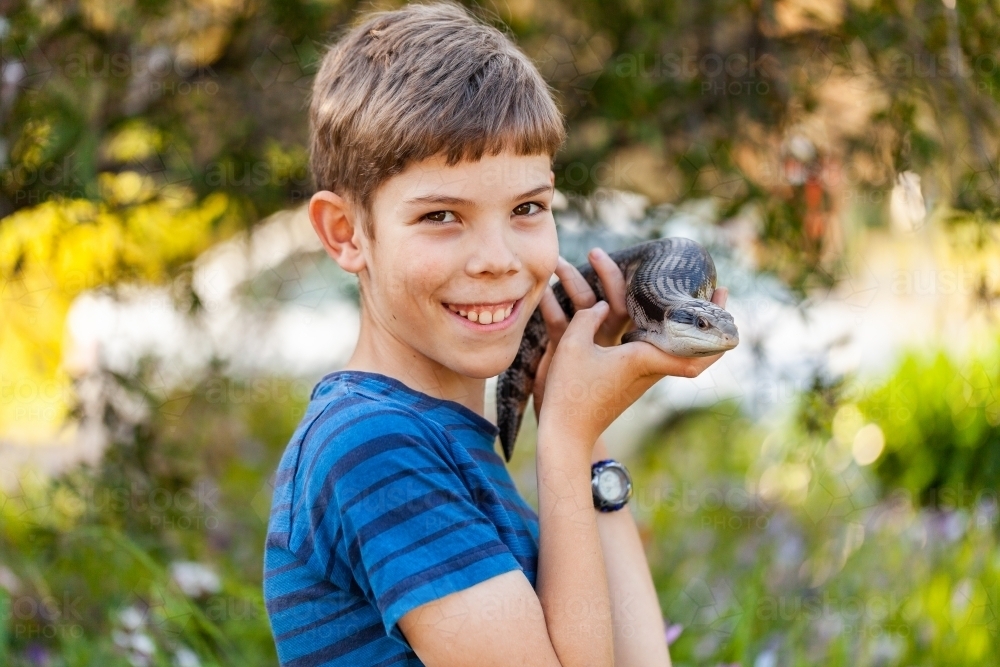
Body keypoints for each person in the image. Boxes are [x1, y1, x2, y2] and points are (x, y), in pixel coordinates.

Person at [262, 2, 730, 665]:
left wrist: (586, 432)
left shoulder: (447, 442)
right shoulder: (370, 446)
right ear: (347, 233)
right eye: (442, 215)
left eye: (528, 208)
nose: (498, 258)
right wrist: (563, 440)